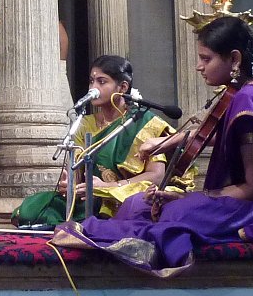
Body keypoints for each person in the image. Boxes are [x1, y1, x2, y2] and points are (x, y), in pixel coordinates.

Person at [53, 17, 253, 276]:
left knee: (172, 215)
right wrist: (173, 143)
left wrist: (190, 197)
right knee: (137, 204)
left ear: (235, 59)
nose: (199, 66)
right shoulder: (239, 94)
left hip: (248, 210)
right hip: (232, 200)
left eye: (206, 59)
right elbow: (226, 137)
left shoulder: (248, 98)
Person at [12, 55, 173, 226]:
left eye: (102, 82)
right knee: (31, 210)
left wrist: (109, 187)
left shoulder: (144, 122)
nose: (93, 88)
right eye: (91, 81)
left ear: (123, 87)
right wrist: (70, 184)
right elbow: (77, 174)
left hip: (128, 197)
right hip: (91, 198)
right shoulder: (85, 124)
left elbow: (157, 176)